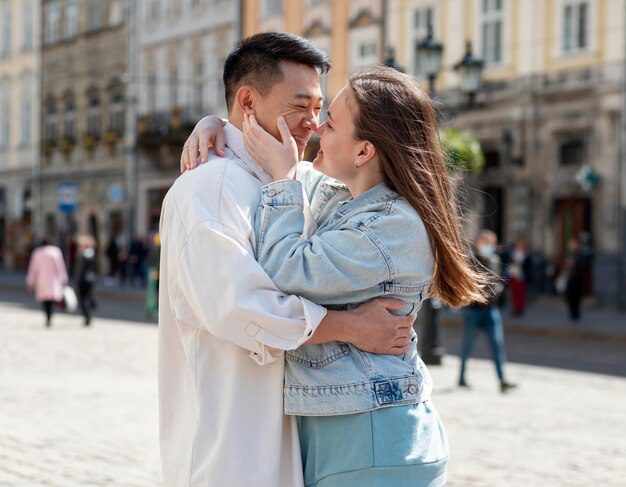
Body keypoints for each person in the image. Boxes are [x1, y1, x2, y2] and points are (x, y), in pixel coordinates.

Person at [187, 65, 492, 485]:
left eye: (329, 123)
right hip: (351, 434)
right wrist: (220, 125)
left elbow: (286, 269)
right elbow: (290, 168)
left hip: (372, 440)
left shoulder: (392, 225)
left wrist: (282, 179)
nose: (315, 131)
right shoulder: (343, 196)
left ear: (364, 151)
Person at [159, 32, 414, 487]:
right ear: (249, 102)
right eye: (301, 106)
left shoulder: (287, 177)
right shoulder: (210, 188)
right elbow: (239, 306)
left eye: (320, 110)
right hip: (233, 446)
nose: (313, 124)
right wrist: (352, 326)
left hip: (294, 441)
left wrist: (220, 123)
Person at [459, 230, 517, 394]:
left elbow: (499, 281)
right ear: (478, 243)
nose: (489, 246)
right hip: (474, 311)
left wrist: (497, 292)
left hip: (491, 310)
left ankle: (502, 381)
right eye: (486, 242)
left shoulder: (495, 260)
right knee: (468, 345)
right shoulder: (471, 261)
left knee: (497, 345)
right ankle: (462, 376)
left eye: (492, 243)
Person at [26, 236, 68, 327]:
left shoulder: (37, 252)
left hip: (41, 279)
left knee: (45, 300)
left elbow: (33, 268)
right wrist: (64, 279)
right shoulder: (55, 252)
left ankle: (47, 316)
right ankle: (50, 316)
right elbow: (60, 267)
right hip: (53, 279)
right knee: (51, 299)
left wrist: (30, 281)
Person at [75, 234, 98, 326]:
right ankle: (88, 315)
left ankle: (87, 316)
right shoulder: (92, 254)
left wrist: (77, 281)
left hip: (83, 280)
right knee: (87, 297)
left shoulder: (85, 255)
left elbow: (80, 270)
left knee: (83, 299)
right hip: (90, 279)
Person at [564, 237, 588, 321]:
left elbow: (583, 266)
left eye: (573, 244)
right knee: (569, 296)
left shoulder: (580, 255)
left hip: (577, 279)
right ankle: (572, 313)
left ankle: (575, 314)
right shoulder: (572, 255)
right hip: (571, 278)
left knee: (575, 297)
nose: (571, 246)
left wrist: (573, 265)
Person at [508, 237, 530, 315]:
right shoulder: (512, 253)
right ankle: (515, 308)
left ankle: (521, 308)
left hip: (522, 277)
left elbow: (528, 267)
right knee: (514, 293)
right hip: (513, 275)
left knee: (521, 294)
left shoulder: (526, 254)